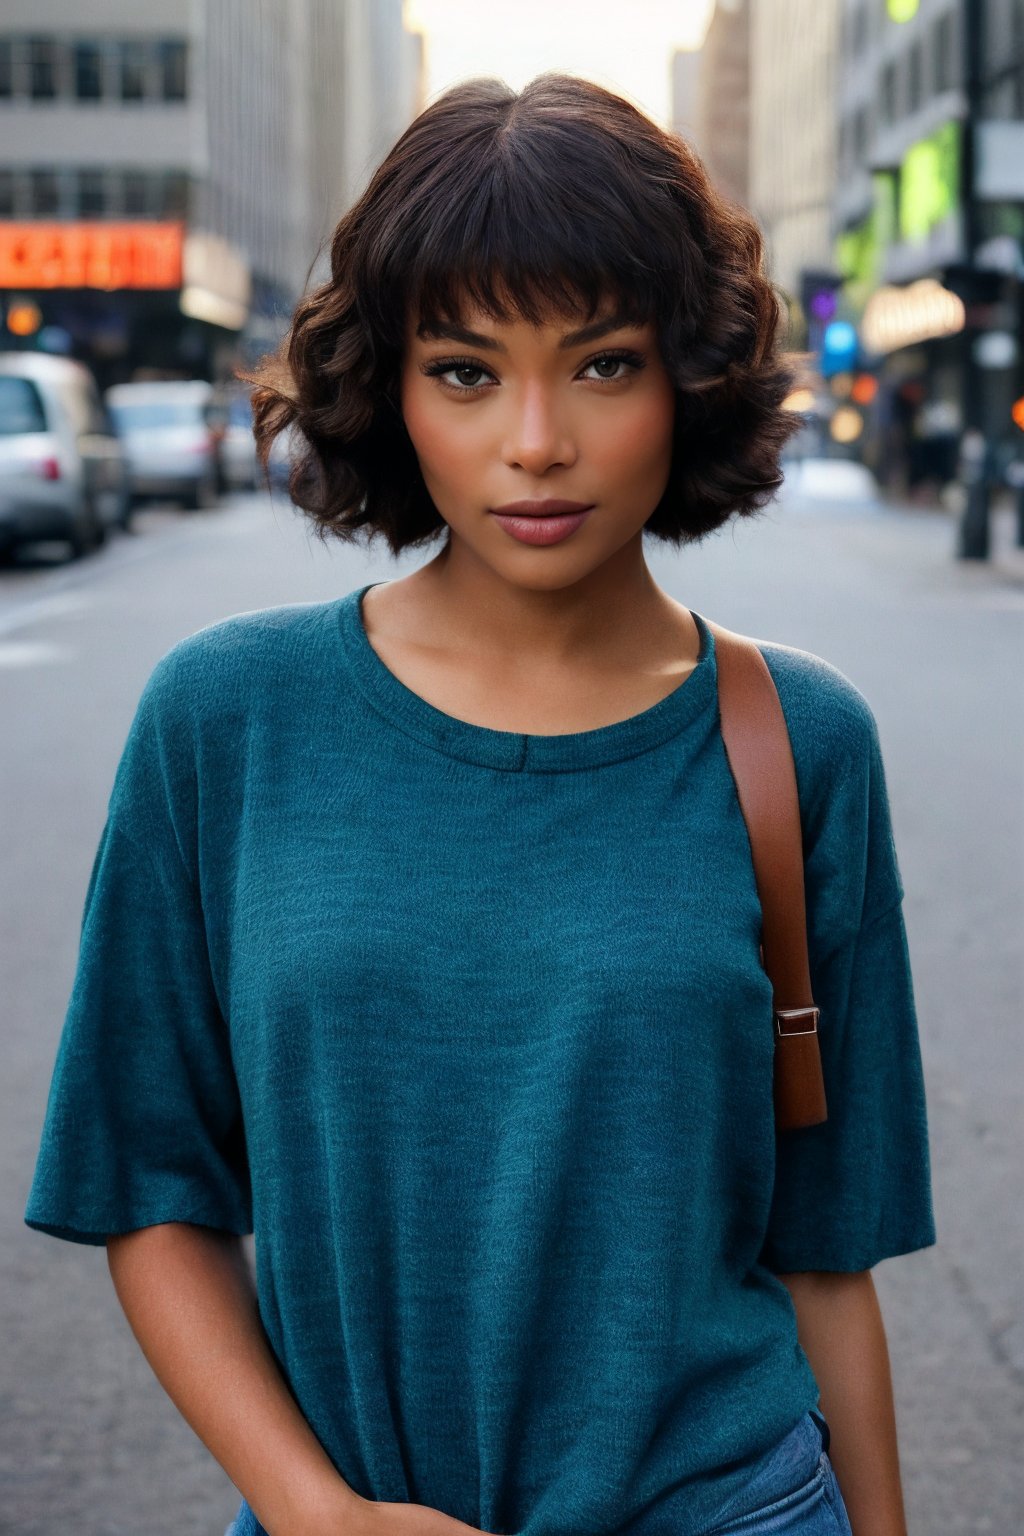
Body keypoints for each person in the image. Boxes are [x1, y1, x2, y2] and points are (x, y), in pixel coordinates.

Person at [25, 73, 937, 1536]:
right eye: (464, 369)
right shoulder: (226, 719)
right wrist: (315, 1511)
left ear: (684, 379)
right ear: (389, 384)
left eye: (602, 364)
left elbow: (831, 1260)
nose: (534, 441)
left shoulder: (799, 742)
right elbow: (153, 1190)